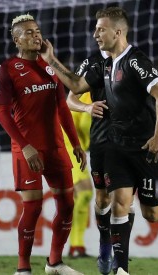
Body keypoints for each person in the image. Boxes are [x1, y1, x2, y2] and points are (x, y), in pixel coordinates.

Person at [39, 7, 158, 275]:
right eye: (96, 28)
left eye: (101, 29)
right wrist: (51, 60)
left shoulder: (135, 61)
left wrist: (157, 137)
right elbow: (75, 87)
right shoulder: (102, 64)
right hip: (114, 144)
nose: (95, 33)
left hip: (147, 146)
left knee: (150, 212)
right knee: (117, 201)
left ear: (117, 32)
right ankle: (120, 268)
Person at [0, 14, 87, 275]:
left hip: (56, 147)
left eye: (37, 31)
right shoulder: (7, 69)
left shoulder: (50, 67)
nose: (35, 36)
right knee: (33, 208)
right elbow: (2, 111)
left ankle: (54, 263)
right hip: (27, 149)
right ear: (16, 39)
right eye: (28, 33)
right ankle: (23, 267)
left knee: (68, 204)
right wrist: (24, 145)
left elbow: (62, 107)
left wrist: (75, 143)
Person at [66, 50, 136, 274]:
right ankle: (82, 245)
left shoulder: (127, 82)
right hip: (73, 143)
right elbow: (69, 109)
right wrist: (86, 109)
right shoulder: (89, 87)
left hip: (118, 146)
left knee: (125, 200)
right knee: (91, 194)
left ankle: (119, 256)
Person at [63, 92, 93, 259]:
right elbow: (84, 124)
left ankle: (76, 245)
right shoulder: (91, 94)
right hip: (68, 144)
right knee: (85, 192)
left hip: (71, 143)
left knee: (77, 196)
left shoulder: (86, 91)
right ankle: (75, 245)